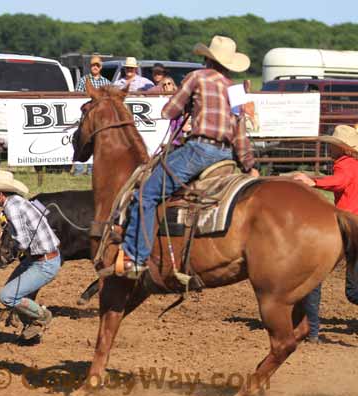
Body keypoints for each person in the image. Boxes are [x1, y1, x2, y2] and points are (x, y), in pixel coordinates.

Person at [113, 35, 258, 278]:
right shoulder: (234, 89)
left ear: (206, 59)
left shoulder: (197, 77)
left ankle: (136, 258)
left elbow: (170, 112)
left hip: (200, 150)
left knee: (146, 194)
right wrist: (249, 166)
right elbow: (240, 133)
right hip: (226, 155)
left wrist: (189, 104)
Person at [0, 170, 61, 340]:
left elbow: (22, 241)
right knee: (13, 295)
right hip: (44, 258)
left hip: (43, 263)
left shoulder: (12, 208)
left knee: (7, 296)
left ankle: (42, 316)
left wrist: (10, 246)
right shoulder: (19, 201)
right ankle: (32, 330)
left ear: (0, 194)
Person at [294, 125, 358, 344]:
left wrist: (314, 182)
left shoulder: (345, 165)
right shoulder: (353, 164)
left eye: (333, 145)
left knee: (318, 279)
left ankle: (310, 330)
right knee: (351, 288)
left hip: (348, 228)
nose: (330, 148)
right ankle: (309, 330)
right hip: (351, 228)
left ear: (343, 149)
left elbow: (339, 181)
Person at [73, 55, 111, 176]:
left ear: (100, 67)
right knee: (81, 140)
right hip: (86, 117)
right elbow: (76, 96)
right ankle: (79, 169)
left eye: (97, 65)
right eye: (93, 65)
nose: (95, 67)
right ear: (90, 67)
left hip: (100, 118)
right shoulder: (84, 80)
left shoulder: (106, 82)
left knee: (96, 142)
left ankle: (91, 169)